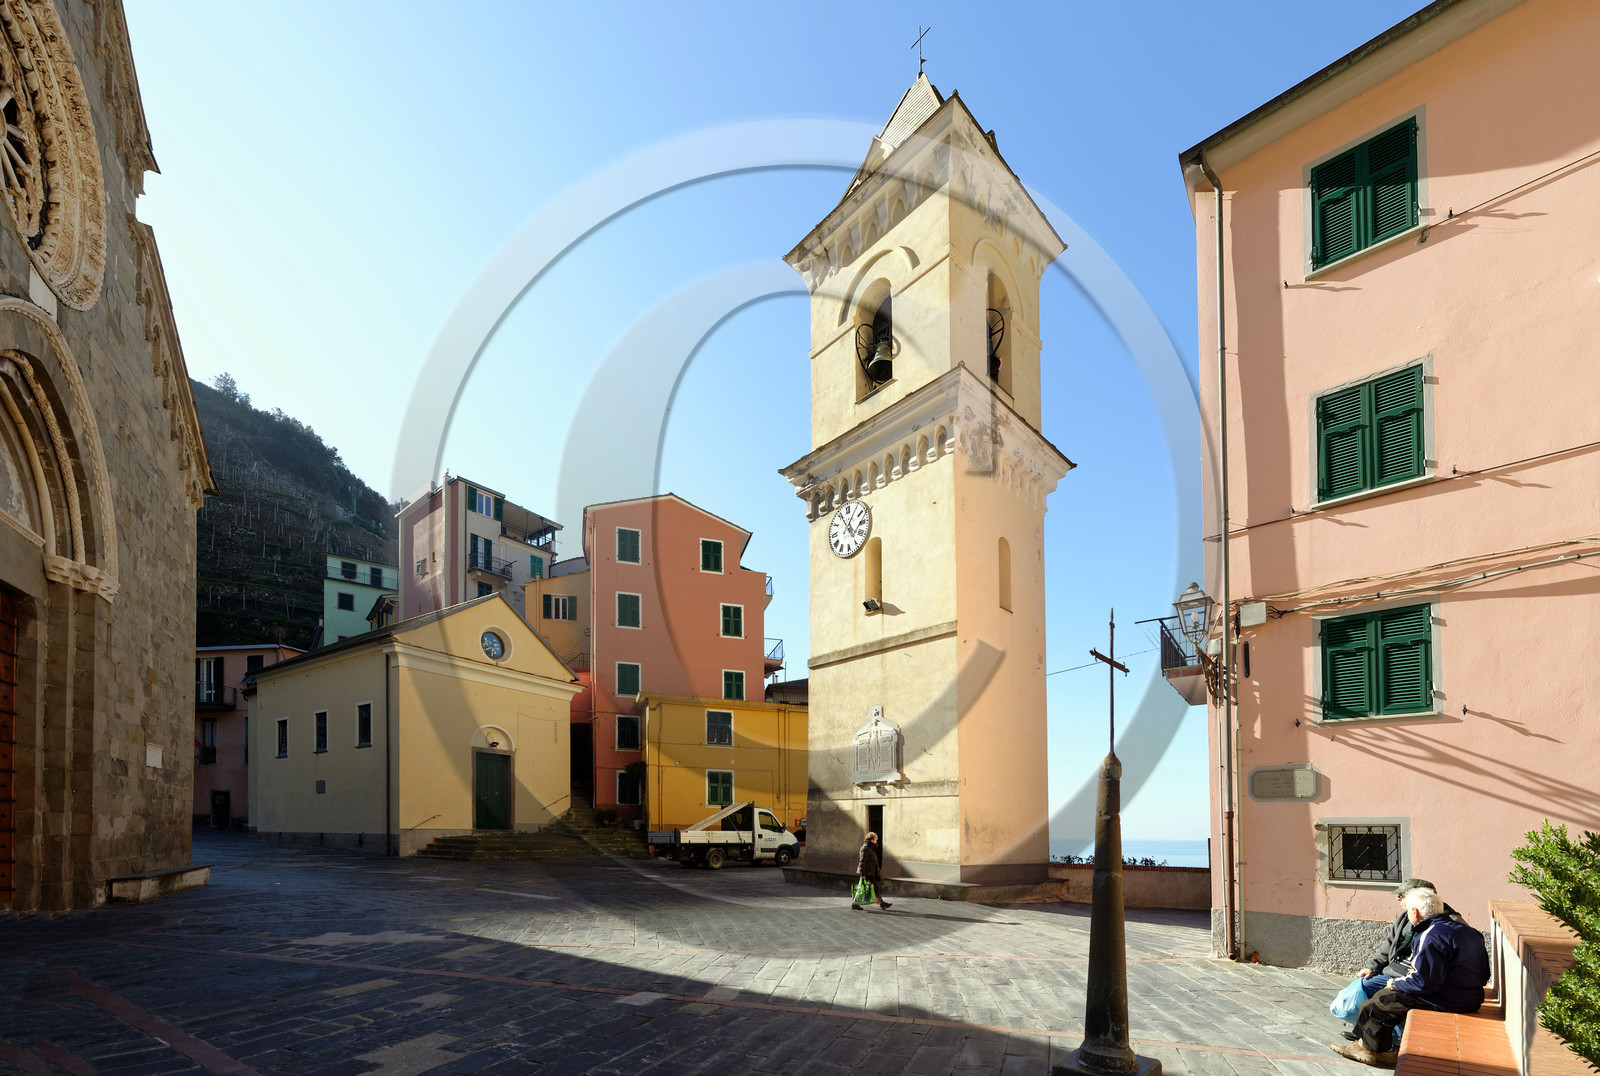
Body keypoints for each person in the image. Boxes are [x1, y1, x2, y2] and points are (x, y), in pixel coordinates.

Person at [1332, 886, 1489, 1067]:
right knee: (1382, 997)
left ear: (1414, 912)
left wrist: (1396, 983)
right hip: (1472, 997)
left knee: (1377, 1004)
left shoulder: (1430, 935)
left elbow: (1423, 983)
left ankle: (1379, 1052)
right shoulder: (1467, 930)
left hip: (1448, 999)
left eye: (1408, 912)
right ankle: (1364, 1044)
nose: (1407, 915)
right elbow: (1484, 974)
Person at [1336, 878, 1464, 1040]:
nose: (1398, 898)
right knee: (1366, 984)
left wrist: (1402, 981)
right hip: (1396, 970)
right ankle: (1367, 1033)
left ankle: (1385, 1038)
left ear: (1420, 896)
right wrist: (1372, 966)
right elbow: (1388, 944)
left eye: (1402, 895)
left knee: (1383, 997)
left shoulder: (1449, 922)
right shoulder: (1405, 917)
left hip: (1418, 978)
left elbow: (1433, 967)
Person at [850, 831, 891, 911]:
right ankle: (855, 904)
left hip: (870, 872)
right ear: (871, 840)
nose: (876, 841)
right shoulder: (865, 848)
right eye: (875, 840)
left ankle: (881, 903)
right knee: (865, 888)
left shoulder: (870, 848)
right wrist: (863, 874)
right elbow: (862, 862)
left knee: (873, 888)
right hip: (867, 873)